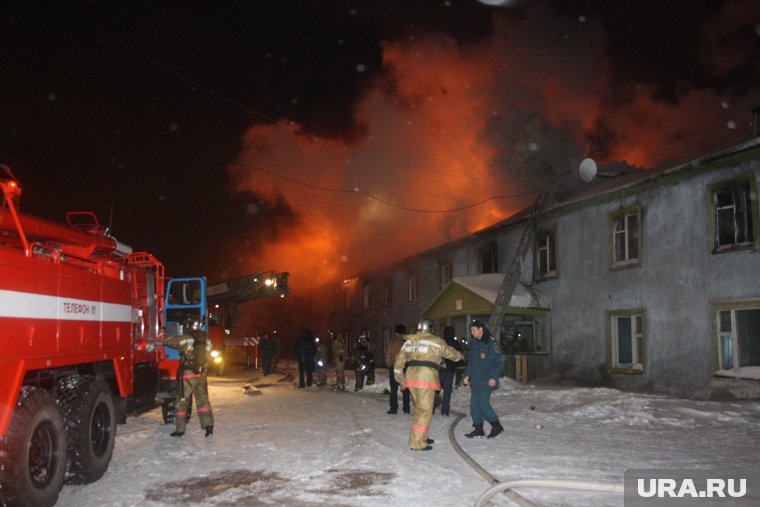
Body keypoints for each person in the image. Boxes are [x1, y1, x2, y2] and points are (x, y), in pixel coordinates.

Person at [394, 317, 463, 451]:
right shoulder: (436, 342)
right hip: (426, 379)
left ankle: (422, 437)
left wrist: (401, 380)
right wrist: (460, 356)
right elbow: (451, 354)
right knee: (424, 412)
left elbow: (398, 364)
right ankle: (417, 443)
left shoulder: (409, 342)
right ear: (431, 329)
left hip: (411, 378)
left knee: (420, 409)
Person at [164, 316, 214, 437]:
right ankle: (208, 427)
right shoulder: (206, 340)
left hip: (188, 375)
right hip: (201, 375)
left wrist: (162, 336)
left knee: (182, 401)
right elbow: (210, 356)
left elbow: (170, 341)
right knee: (203, 401)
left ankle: (180, 430)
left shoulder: (186, 338)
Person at [463, 319, 505, 439]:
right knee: (474, 406)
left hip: (487, 379)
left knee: (482, 403)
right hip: (476, 379)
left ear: (481, 329)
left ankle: (496, 425)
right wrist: (467, 375)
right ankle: (478, 428)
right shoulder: (474, 342)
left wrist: (493, 377)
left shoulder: (490, 342)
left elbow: (499, 361)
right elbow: (471, 361)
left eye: (474, 330)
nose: (472, 332)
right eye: (471, 330)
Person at [385, 324, 411, 414]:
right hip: (405, 367)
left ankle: (393, 408)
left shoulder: (392, 342)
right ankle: (406, 409)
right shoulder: (407, 342)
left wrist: (389, 364)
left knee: (393, 389)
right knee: (406, 389)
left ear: (396, 332)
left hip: (394, 367)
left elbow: (388, 355)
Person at [439, 325, 462, 416]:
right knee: (447, 391)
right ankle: (445, 411)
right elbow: (459, 357)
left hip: (441, 368)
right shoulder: (455, 343)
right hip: (450, 370)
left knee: (436, 389)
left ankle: (431, 407)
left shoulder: (441, 342)